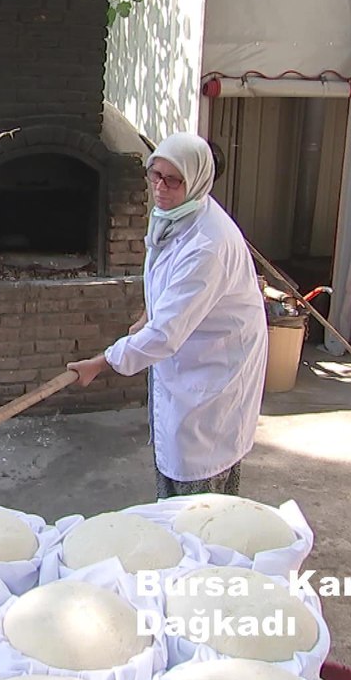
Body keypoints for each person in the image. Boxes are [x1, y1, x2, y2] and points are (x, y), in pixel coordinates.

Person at [67, 132, 267, 499]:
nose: (160, 187)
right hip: (188, 354)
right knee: (175, 455)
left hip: (214, 365)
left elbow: (165, 336)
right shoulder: (174, 215)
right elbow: (163, 274)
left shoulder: (208, 245)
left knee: (199, 480)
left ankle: (200, 551)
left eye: (172, 180)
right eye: (154, 175)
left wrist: (101, 362)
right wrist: (148, 311)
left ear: (197, 181)